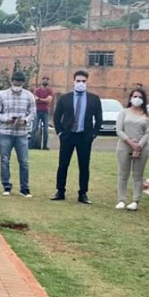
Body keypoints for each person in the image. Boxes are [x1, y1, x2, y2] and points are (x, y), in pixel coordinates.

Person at [52, 70, 103, 205]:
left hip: (84, 137)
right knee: (63, 164)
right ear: (73, 82)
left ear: (87, 82)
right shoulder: (65, 98)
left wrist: (93, 134)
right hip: (67, 136)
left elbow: (98, 119)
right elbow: (57, 117)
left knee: (84, 166)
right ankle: (60, 191)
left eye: (83, 81)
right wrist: (60, 132)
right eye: (78, 81)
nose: (81, 83)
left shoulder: (94, 99)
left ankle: (83, 193)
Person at [0, 71, 36, 198]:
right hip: (5, 132)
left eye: (20, 83)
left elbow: (33, 113)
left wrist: (24, 120)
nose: (17, 85)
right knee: (5, 160)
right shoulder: (2, 95)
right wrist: (8, 118)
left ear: (23, 83)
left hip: (22, 133)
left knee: (24, 161)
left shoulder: (29, 96)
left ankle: (25, 188)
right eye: (15, 82)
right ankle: (6, 186)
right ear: (11, 82)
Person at [115, 89, 149, 211]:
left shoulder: (148, 115)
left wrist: (138, 145)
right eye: (134, 96)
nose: (137, 99)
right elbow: (119, 130)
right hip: (124, 145)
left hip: (141, 147)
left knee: (138, 175)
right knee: (123, 173)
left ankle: (135, 200)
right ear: (131, 98)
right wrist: (130, 143)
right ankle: (121, 199)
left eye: (139, 97)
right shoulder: (124, 113)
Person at [34, 76, 54, 150]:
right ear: (41, 81)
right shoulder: (37, 90)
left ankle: (45, 146)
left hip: (46, 111)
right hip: (37, 111)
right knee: (34, 128)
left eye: (47, 80)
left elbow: (49, 101)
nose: (45, 81)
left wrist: (39, 99)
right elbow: (35, 100)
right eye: (44, 80)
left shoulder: (50, 90)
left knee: (46, 130)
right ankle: (33, 145)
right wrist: (44, 100)